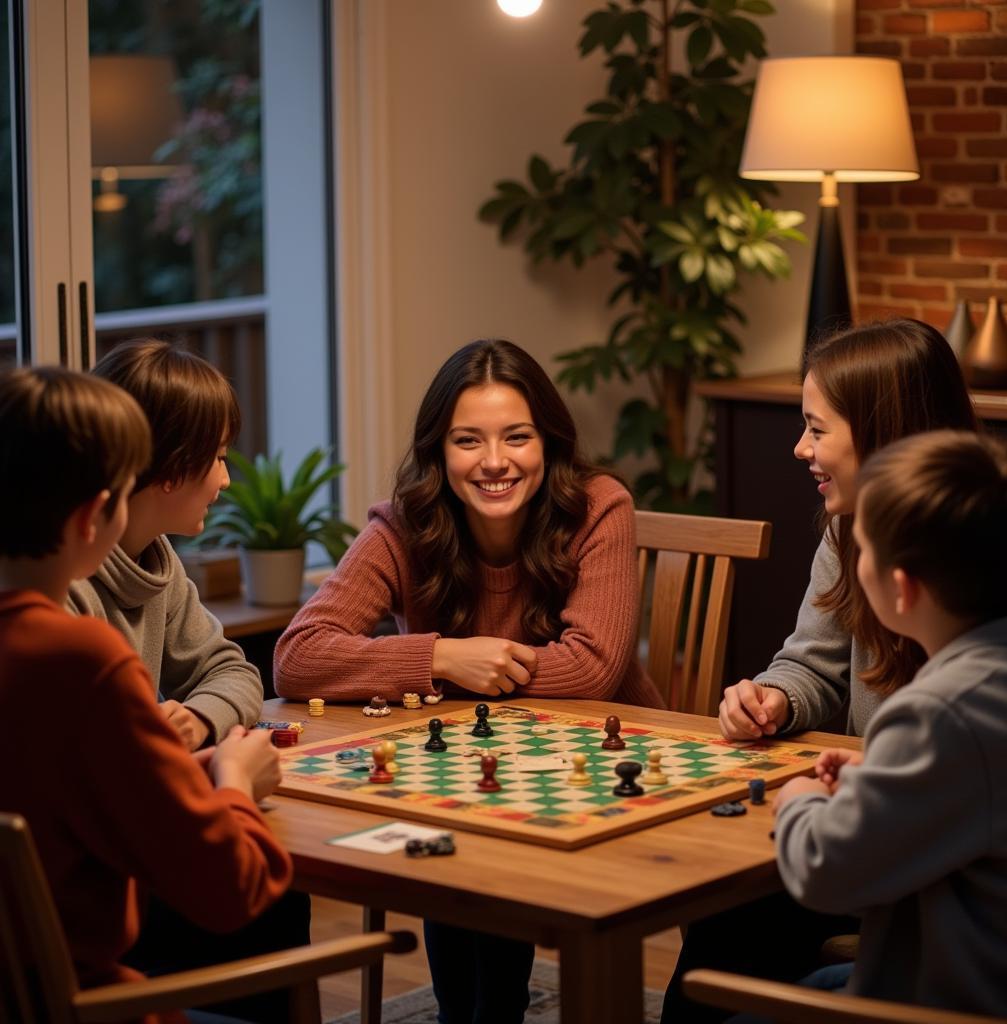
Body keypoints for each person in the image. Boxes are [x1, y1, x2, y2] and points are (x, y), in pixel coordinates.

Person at [275, 338, 664, 1024]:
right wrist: (442, 659)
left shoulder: (598, 506)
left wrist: (483, 666)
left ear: (548, 442)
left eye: (517, 437)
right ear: (438, 451)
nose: (493, 462)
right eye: (467, 441)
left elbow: (595, 666)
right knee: (461, 841)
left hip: (600, 768)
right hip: (464, 776)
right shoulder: (403, 523)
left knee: (477, 850)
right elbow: (299, 655)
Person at [662, 318, 980, 1023]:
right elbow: (812, 665)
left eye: (816, 428)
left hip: (918, 870)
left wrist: (814, 795)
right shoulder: (850, 532)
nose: (800, 447)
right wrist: (774, 699)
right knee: (730, 919)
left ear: (883, 431)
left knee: (744, 922)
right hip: (884, 825)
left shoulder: (963, 585)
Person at [0, 366, 292, 1024]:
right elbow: (231, 888)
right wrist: (237, 781)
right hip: (82, 1004)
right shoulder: (81, 660)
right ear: (95, 516)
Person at [769, 429, 1007, 1016]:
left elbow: (825, 872)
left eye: (864, 552)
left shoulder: (939, 712)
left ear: (902, 589)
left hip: (932, 1004)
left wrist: (801, 800)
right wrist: (883, 772)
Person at [68, 338, 263, 752]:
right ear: (172, 469)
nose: (226, 480)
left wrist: (199, 718)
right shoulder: (62, 585)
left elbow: (232, 670)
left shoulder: (157, 558)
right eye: (219, 458)